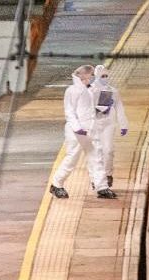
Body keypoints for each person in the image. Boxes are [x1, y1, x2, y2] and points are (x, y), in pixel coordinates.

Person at [49, 64, 116, 200]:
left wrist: (103, 106)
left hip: (91, 129)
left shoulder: (90, 90)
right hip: (78, 131)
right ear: (84, 75)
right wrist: (77, 128)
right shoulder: (72, 90)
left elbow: (93, 107)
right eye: (91, 75)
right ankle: (56, 184)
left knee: (96, 157)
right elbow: (69, 112)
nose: (93, 78)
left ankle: (101, 187)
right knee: (72, 158)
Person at [91, 64, 129, 189]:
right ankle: (95, 177)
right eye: (102, 76)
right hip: (95, 125)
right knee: (96, 152)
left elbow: (119, 108)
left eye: (106, 76)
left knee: (108, 150)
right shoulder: (90, 91)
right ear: (96, 76)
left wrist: (124, 124)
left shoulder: (113, 91)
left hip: (108, 124)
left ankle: (108, 175)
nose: (105, 78)